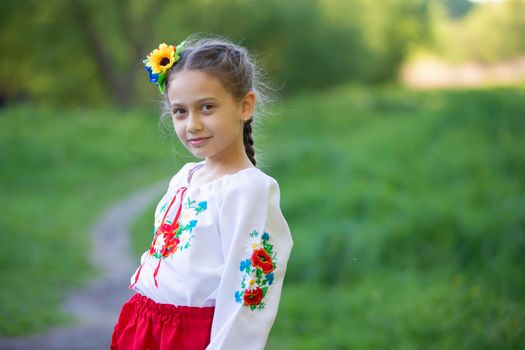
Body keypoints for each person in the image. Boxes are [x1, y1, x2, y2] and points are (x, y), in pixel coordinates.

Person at [110, 34, 293, 350]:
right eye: (180, 112)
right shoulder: (186, 177)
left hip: (189, 338)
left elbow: (247, 300)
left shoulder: (249, 190)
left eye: (206, 107)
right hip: (145, 327)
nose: (192, 124)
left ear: (245, 106)